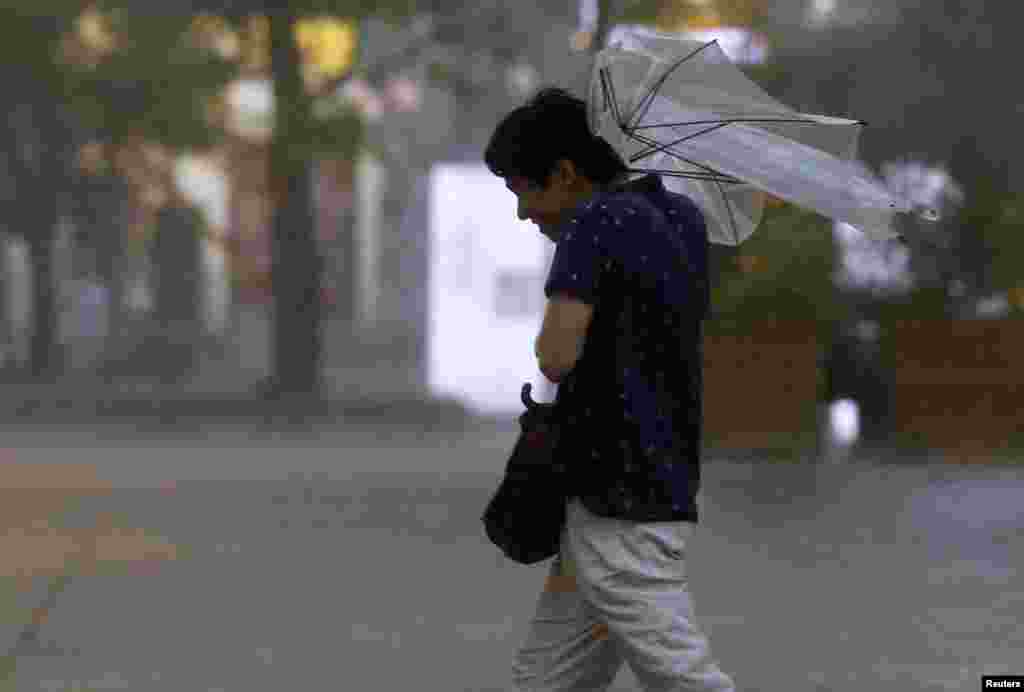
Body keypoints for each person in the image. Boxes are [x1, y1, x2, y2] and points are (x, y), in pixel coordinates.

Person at [485, 87, 736, 691]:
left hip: (614, 495)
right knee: (545, 679)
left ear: (565, 173)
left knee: (683, 676)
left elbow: (555, 355)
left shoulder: (596, 222)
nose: (523, 214)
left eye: (524, 191)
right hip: (657, 477)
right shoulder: (682, 218)